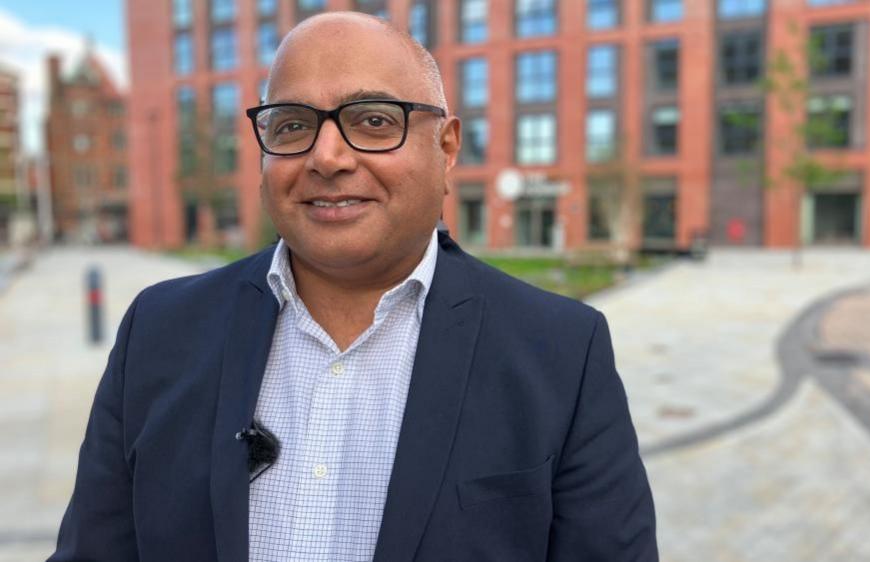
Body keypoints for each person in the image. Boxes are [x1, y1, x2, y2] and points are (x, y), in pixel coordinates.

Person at [49, 12, 656, 562]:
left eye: (373, 120)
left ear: (446, 148)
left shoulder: (562, 354)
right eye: (292, 125)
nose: (328, 156)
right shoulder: (160, 332)